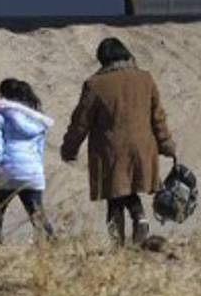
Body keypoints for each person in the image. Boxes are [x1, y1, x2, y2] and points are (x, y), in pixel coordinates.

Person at [61, 37, 175, 246]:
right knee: (127, 190)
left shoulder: (95, 84)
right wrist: (166, 143)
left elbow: (81, 121)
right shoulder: (145, 79)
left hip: (110, 149)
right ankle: (139, 221)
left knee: (114, 195)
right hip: (142, 148)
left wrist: (69, 148)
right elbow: (158, 116)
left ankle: (120, 242)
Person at [0, 78, 55, 240]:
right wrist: (36, 172)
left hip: (7, 172)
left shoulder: (0, 116)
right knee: (37, 214)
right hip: (32, 173)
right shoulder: (37, 120)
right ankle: (51, 245)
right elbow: (39, 151)